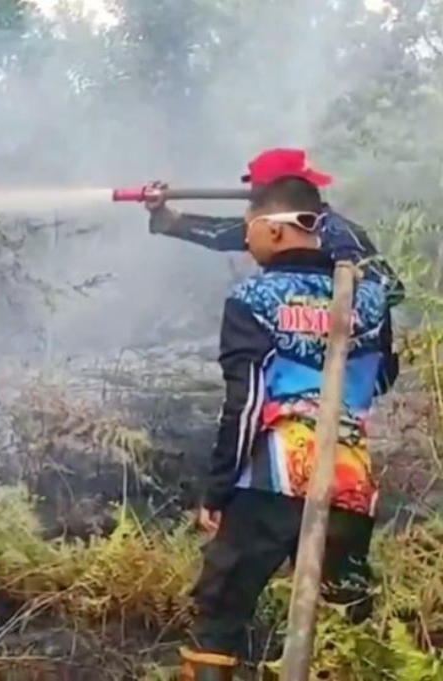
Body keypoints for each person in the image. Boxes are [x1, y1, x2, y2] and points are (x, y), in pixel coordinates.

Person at [178, 176, 399, 679]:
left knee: (221, 611)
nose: (247, 242)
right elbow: (383, 376)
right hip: (348, 480)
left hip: (270, 479)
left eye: (248, 230)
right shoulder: (367, 297)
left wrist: (217, 490)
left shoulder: (253, 297)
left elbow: (248, 400)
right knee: (347, 615)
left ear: (274, 232)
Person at [145, 148, 404, 307]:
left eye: (258, 191)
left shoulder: (340, 234)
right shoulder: (270, 228)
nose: (252, 196)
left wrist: (330, 314)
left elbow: (391, 290)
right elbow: (219, 234)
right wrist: (165, 215)